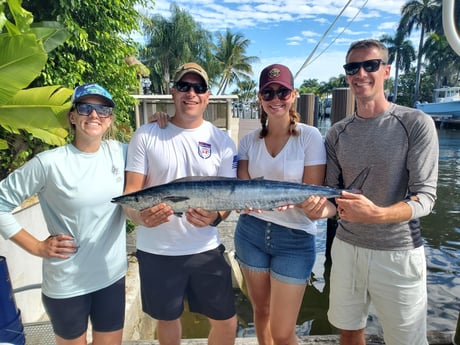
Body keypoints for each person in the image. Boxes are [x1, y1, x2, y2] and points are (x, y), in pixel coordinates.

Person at [325, 39, 438, 345]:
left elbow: (425, 197)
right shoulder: (337, 132)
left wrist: (378, 214)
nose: (360, 73)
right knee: (349, 331)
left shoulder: (416, 123)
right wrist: (314, 208)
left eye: (370, 65)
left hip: (398, 251)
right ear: (347, 75)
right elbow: (332, 199)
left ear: (386, 71)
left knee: (406, 339)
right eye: (352, 67)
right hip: (347, 248)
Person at [0, 83, 128, 345]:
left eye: (102, 109)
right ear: (72, 116)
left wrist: (162, 120)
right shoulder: (49, 163)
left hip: (111, 278)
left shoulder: (121, 153)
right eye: (85, 108)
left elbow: (155, 146)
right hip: (67, 285)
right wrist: (36, 246)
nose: (94, 115)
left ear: (110, 118)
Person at [123, 62, 238, 345]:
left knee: (227, 322)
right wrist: (140, 217)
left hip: (205, 248)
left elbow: (230, 197)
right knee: (167, 319)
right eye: (184, 87)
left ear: (207, 96)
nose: (191, 93)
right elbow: (130, 194)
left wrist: (216, 217)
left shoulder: (222, 141)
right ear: (173, 92)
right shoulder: (146, 135)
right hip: (157, 250)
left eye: (199, 88)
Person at [234, 63, 336, 345]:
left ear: (294, 95)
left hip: (294, 239)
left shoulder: (310, 136)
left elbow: (310, 192)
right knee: (261, 311)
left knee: (282, 331)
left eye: (283, 91)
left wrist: (312, 205)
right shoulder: (247, 141)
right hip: (250, 233)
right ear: (260, 97)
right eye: (269, 92)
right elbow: (243, 189)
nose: (276, 98)